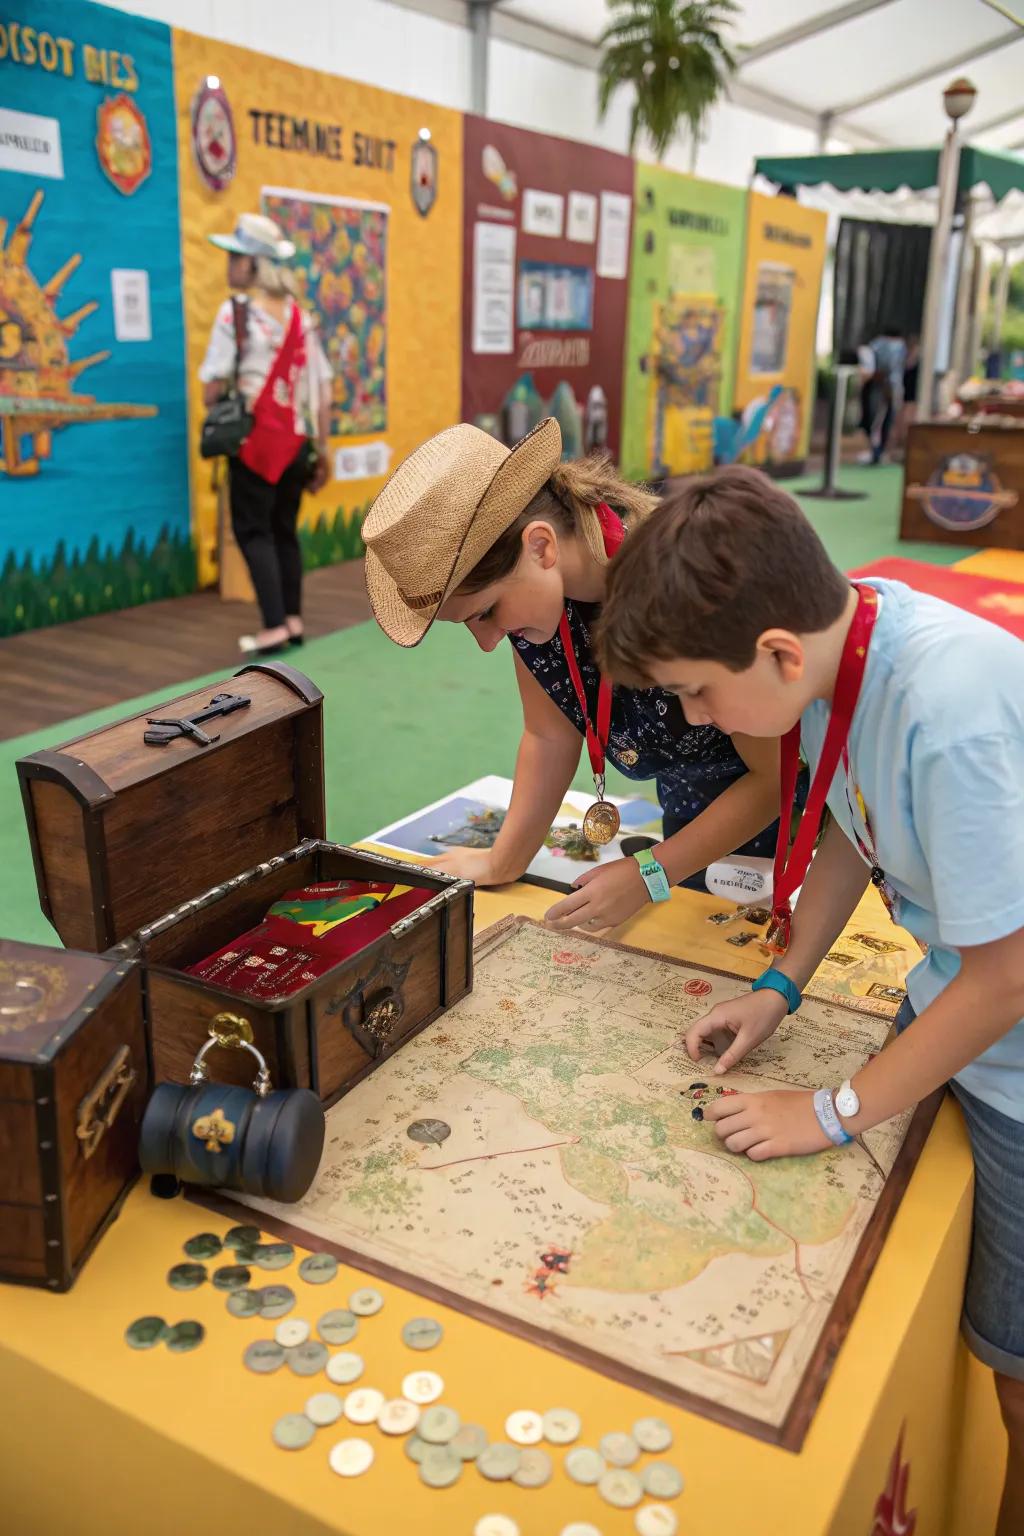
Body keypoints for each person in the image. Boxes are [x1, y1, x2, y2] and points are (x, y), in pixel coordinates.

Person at [596, 465, 1024, 1535]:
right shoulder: (849, 636)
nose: (695, 716)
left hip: (1015, 1056)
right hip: (951, 1008)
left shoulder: (950, 708)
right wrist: (779, 987)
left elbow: (1008, 977)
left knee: (1015, 1372)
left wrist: (831, 1107)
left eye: (697, 690)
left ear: (777, 653)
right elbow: (849, 820)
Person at [360, 419, 782, 934]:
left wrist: (651, 871)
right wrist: (503, 861)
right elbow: (548, 734)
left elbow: (773, 777)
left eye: (485, 613)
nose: (488, 641)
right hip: (690, 820)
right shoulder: (539, 608)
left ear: (541, 547)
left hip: (779, 827)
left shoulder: (688, 585)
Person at [199, 213, 332, 656]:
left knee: (254, 532)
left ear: (254, 264)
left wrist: (220, 394)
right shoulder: (301, 319)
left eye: (236, 256)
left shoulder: (236, 315)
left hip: (256, 442)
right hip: (295, 442)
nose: (230, 264)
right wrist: (324, 448)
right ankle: (292, 619)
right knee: (284, 531)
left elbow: (211, 386)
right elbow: (321, 389)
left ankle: (273, 625)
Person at [857, 321, 906, 465]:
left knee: (875, 420)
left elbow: (870, 370)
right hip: (894, 387)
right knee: (886, 420)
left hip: (878, 386)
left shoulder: (876, 345)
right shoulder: (901, 346)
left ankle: (875, 452)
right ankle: (880, 451)